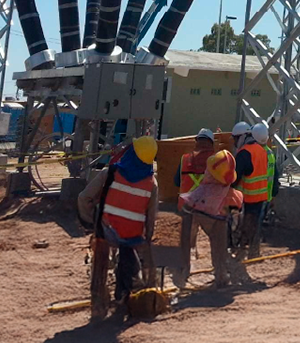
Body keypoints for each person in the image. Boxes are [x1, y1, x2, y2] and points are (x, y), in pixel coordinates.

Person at [78, 136, 159, 316]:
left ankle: (99, 304)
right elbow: (151, 217)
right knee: (128, 259)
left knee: (101, 258)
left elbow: (84, 198)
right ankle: (123, 295)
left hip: (107, 231)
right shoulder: (151, 183)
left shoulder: (110, 173)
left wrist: (90, 221)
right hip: (132, 237)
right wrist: (147, 239)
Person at [176, 150, 243, 288]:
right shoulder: (228, 192)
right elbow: (237, 205)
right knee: (219, 247)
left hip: (196, 208)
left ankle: (183, 271)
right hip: (218, 215)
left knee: (186, 239)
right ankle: (221, 276)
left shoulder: (206, 173)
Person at [232, 121, 276, 259]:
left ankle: (241, 252)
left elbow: (235, 177)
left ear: (241, 137)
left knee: (243, 225)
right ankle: (254, 252)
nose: (234, 142)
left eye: (235, 138)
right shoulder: (262, 151)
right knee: (255, 225)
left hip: (248, 197)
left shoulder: (244, 153)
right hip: (261, 196)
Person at [174, 128, 216, 208]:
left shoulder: (185, 159)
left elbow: (176, 182)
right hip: (206, 209)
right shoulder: (216, 161)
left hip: (185, 207)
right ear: (211, 144)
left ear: (197, 142)